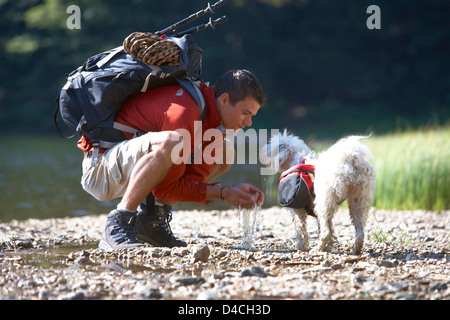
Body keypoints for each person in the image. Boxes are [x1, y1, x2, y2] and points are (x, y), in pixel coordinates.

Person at [77, 69, 266, 250]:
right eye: (245, 113)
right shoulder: (184, 112)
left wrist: (227, 191)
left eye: (252, 116)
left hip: (126, 168)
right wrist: (223, 193)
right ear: (224, 99)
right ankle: (118, 224)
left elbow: (186, 183)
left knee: (225, 151)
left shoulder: (212, 123)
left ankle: (151, 222)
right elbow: (165, 188)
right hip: (101, 171)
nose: (248, 123)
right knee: (172, 141)